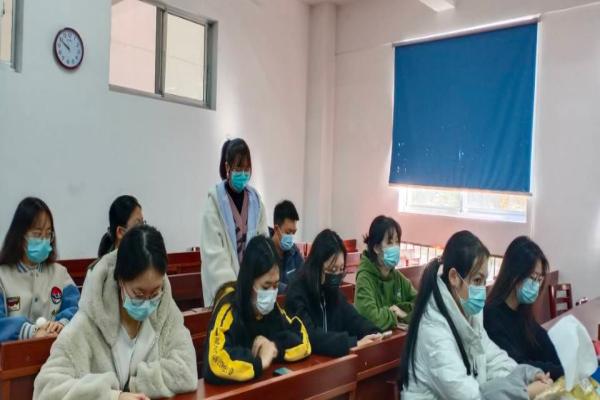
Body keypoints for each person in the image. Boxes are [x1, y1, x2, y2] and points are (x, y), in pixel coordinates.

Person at [34, 225, 197, 400]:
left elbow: (186, 371)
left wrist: (133, 385)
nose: (147, 302)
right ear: (120, 281)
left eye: (155, 292)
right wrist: (113, 396)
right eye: (139, 294)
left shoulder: (165, 310)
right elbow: (46, 389)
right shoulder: (90, 320)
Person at [398, 231, 553, 400]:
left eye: (484, 281)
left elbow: (493, 358)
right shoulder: (433, 332)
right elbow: (471, 397)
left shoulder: (470, 313)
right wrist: (525, 391)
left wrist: (527, 375)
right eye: (477, 281)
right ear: (454, 278)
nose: (482, 291)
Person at [203, 235, 311, 384]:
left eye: (276, 285)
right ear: (249, 283)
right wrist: (259, 361)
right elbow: (215, 362)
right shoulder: (229, 309)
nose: (271, 293)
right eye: (265, 287)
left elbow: (303, 340)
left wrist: (273, 347)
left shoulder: (273, 309)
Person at [285, 229, 382, 357]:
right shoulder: (297, 291)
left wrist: (373, 332)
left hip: (330, 361)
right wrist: (351, 343)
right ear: (317, 266)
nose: (336, 275)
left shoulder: (332, 292)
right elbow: (310, 335)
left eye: (341, 269)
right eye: (332, 269)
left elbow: (353, 319)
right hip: (307, 362)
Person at [200, 138, 268, 305]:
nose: (243, 174)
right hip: (225, 292)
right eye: (238, 168)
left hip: (252, 291)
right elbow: (214, 254)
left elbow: (263, 245)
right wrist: (233, 292)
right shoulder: (215, 202)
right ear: (227, 167)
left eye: (247, 169)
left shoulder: (256, 202)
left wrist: (256, 285)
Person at [0, 197, 79, 342]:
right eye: (37, 234)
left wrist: (61, 325)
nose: (44, 240)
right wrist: (31, 331)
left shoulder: (60, 274)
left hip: (55, 350)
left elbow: (77, 308)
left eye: (48, 234)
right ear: (20, 236)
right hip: (13, 354)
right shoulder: (2, 277)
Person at [485, 236, 564, 380]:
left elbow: (545, 343)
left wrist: (567, 361)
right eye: (533, 277)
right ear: (514, 274)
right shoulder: (491, 316)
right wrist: (562, 370)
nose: (536, 285)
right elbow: (517, 364)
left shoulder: (522, 311)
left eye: (539, 279)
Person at [354, 215, 417, 330]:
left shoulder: (396, 276)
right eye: (390, 242)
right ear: (377, 248)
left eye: (397, 242)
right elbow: (371, 318)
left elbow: (422, 305)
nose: (395, 247)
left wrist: (402, 311)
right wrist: (395, 314)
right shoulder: (364, 278)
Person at [270, 200, 303, 292]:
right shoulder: (264, 252)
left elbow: (305, 278)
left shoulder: (294, 252)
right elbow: (268, 283)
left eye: (293, 232)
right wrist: (290, 290)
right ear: (276, 229)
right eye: (288, 232)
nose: (291, 237)